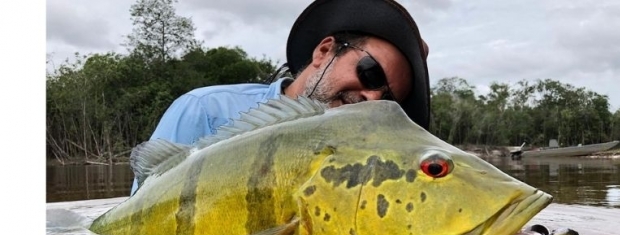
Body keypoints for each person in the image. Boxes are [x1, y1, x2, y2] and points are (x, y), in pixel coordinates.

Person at [130, 0, 431, 194]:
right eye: (371, 73)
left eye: (387, 99)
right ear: (324, 51)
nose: (371, 97)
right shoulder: (205, 110)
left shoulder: (360, 164)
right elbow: (138, 218)